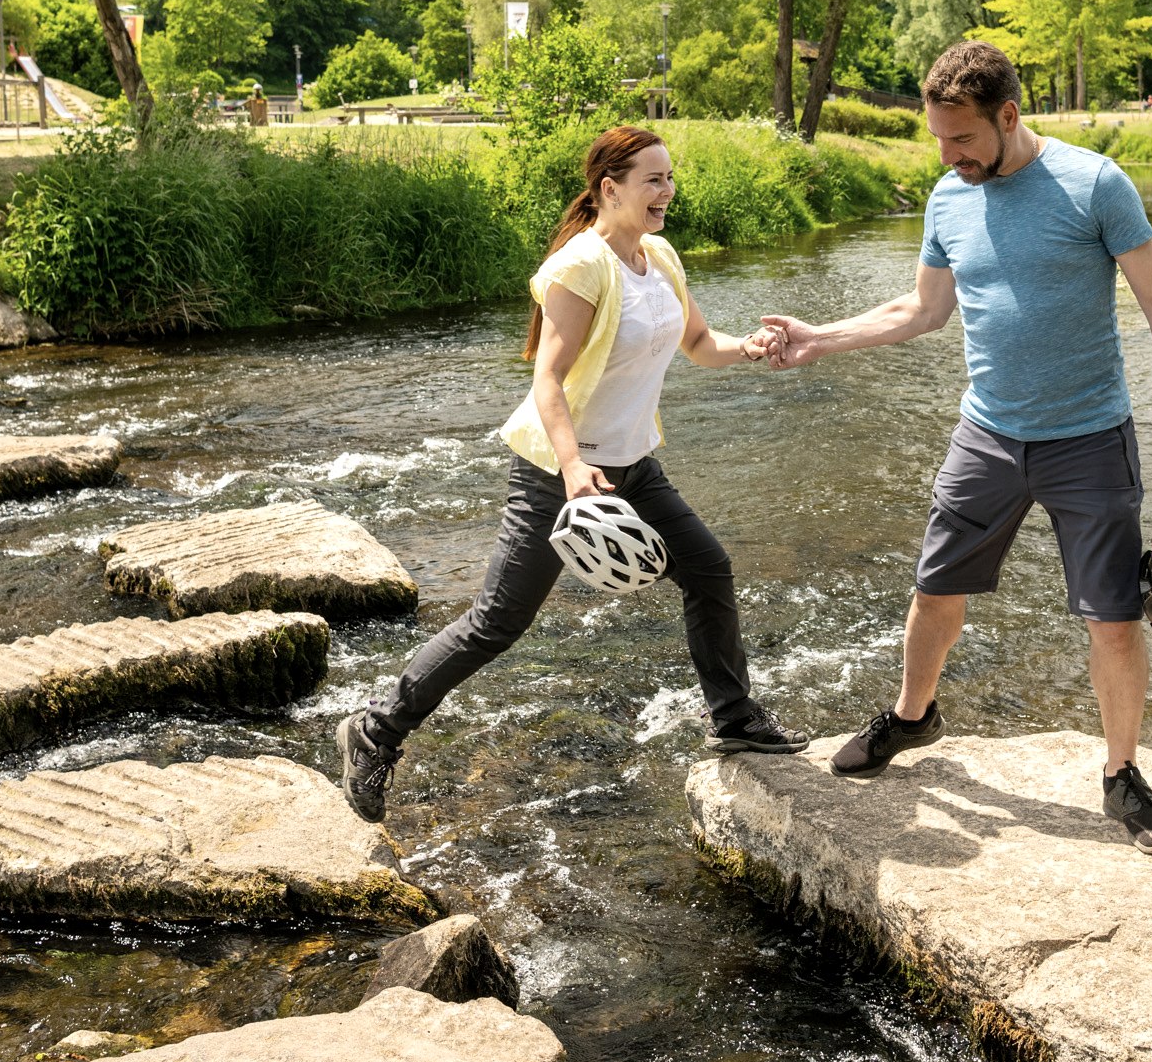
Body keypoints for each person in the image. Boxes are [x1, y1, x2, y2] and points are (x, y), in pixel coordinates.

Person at [758, 41, 1152, 855]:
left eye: (963, 138)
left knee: (1114, 618)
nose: (948, 155)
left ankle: (1122, 774)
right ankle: (913, 716)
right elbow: (922, 310)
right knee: (935, 589)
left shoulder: (1094, 184)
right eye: (938, 139)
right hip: (987, 436)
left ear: (1009, 115)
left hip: (1089, 439)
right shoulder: (949, 196)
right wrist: (817, 338)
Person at [336, 124, 812, 823]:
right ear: (610, 189)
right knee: (498, 621)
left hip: (631, 467)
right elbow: (547, 378)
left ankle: (733, 716)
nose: (667, 191)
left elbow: (700, 342)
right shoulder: (581, 265)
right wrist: (572, 467)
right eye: (653, 180)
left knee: (708, 568)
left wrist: (751, 346)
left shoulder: (659, 255)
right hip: (555, 473)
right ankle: (376, 729)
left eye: (670, 178)